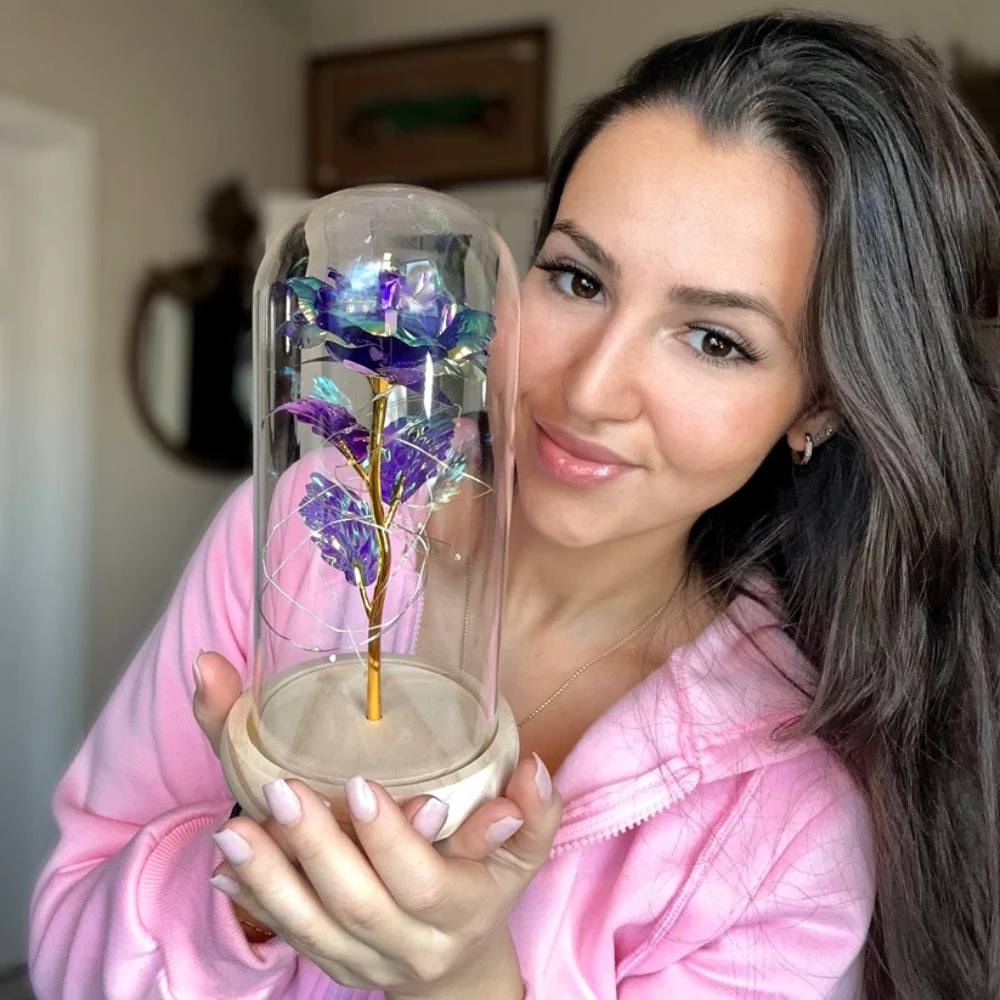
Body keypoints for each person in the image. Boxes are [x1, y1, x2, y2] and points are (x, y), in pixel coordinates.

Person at [29, 11, 1000, 1000]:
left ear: (820, 405)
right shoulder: (304, 528)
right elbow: (65, 947)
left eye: (714, 340)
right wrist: (250, 892)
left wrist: (463, 981)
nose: (588, 389)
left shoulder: (783, 822)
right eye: (577, 278)